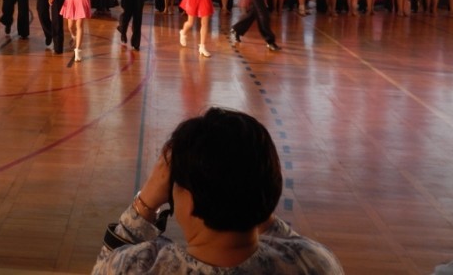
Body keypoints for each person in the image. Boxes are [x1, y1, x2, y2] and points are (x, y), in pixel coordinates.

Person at [92, 107, 344, 274]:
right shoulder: (314, 264)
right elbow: (295, 244)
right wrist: (251, 190)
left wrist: (145, 203)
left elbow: (103, 266)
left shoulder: (136, 266)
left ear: (189, 201)